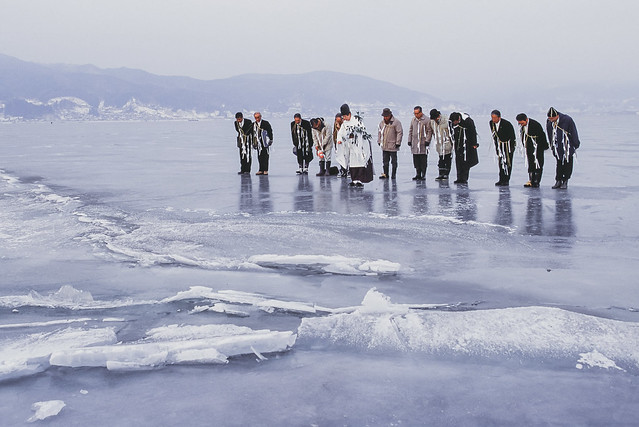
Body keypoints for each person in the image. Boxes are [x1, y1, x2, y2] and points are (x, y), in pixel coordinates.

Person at [336, 103, 374, 187]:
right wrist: (339, 140)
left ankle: (359, 180)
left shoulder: (357, 121)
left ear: (349, 114)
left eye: (345, 116)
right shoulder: (344, 124)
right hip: (350, 147)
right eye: (343, 117)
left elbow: (363, 132)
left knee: (359, 162)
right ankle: (354, 180)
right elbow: (340, 133)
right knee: (352, 164)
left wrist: (355, 136)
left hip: (358, 146)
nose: (344, 118)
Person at [546, 107, 580, 189]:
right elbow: (549, 134)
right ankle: (558, 180)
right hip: (557, 147)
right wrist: (552, 145)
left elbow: (573, 131)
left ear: (557, 116)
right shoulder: (549, 122)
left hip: (567, 146)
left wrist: (575, 144)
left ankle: (565, 180)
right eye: (549, 119)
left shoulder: (567, 120)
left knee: (568, 163)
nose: (551, 120)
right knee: (559, 163)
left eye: (552, 118)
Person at [516, 113, 548, 188]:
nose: (521, 124)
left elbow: (542, 135)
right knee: (530, 162)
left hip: (538, 147)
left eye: (522, 123)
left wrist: (544, 146)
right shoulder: (522, 126)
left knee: (538, 162)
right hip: (529, 147)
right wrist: (524, 144)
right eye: (519, 123)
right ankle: (531, 180)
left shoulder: (535, 124)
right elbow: (522, 135)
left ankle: (537, 181)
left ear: (526, 119)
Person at [449, 112, 479, 184]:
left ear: (458, 119)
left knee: (466, 161)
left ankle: (464, 178)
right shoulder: (451, 121)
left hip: (467, 144)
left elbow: (473, 132)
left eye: (455, 122)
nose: (454, 124)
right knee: (458, 161)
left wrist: (474, 143)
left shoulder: (468, 121)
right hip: (458, 144)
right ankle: (459, 177)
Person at [489, 109, 517, 186]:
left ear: (499, 117)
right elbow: (494, 135)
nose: (493, 119)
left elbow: (512, 136)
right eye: (492, 117)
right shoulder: (491, 123)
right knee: (501, 162)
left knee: (508, 162)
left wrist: (511, 147)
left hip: (507, 145)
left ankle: (506, 180)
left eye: (495, 118)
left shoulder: (507, 124)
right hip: (499, 145)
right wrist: (497, 147)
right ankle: (501, 179)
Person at [407, 106, 433, 181]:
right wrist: (409, 140)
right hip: (415, 143)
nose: (416, 115)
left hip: (423, 143)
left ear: (421, 112)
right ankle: (418, 173)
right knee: (416, 159)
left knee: (423, 159)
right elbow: (410, 130)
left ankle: (423, 174)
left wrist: (427, 140)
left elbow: (429, 131)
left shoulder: (427, 120)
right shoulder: (413, 120)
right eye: (414, 113)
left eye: (417, 113)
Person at [377, 108, 403, 179]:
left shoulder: (396, 122)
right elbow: (379, 132)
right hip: (384, 145)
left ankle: (393, 175)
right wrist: (379, 141)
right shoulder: (381, 123)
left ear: (390, 115)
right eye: (384, 116)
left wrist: (398, 142)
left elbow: (399, 132)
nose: (385, 117)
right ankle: (385, 174)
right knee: (385, 162)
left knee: (394, 162)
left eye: (386, 116)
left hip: (393, 146)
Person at [430, 108, 453, 180]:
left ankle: (446, 174)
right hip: (439, 144)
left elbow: (451, 132)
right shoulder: (432, 122)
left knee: (447, 159)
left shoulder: (446, 121)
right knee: (441, 160)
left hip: (447, 143)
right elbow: (433, 132)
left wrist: (452, 142)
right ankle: (441, 173)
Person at [332, 113, 348, 177]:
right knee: (340, 157)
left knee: (346, 157)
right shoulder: (335, 124)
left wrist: (339, 128)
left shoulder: (345, 124)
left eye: (339, 120)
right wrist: (335, 143)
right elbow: (334, 133)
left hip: (345, 143)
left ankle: (347, 170)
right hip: (338, 143)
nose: (337, 121)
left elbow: (344, 134)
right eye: (336, 120)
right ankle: (342, 170)